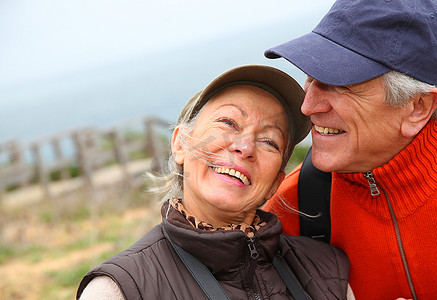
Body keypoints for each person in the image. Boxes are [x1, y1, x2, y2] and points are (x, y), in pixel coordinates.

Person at [76, 65, 353, 299]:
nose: (245, 147)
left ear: (275, 183)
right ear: (180, 144)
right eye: (228, 122)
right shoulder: (120, 289)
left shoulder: (326, 271)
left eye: (269, 141)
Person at [262, 0, 437, 300]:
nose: (308, 106)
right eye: (310, 78)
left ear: (417, 107)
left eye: (339, 84)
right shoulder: (292, 204)